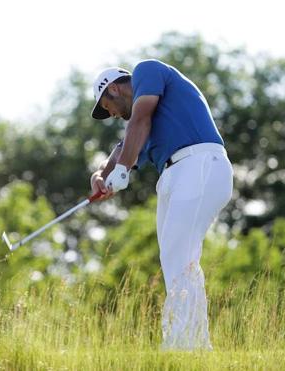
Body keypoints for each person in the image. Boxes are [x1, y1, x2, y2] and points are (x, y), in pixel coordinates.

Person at [89, 60, 233, 350]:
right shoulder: (146, 129)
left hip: (199, 163)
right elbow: (122, 148)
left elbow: (138, 120)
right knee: (175, 260)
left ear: (114, 88)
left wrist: (123, 170)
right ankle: (193, 345)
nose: (112, 115)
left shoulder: (147, 70)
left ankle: (182, 346)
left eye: (107, 106)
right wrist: (101, 175)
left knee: (180, 257)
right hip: (174, 174)